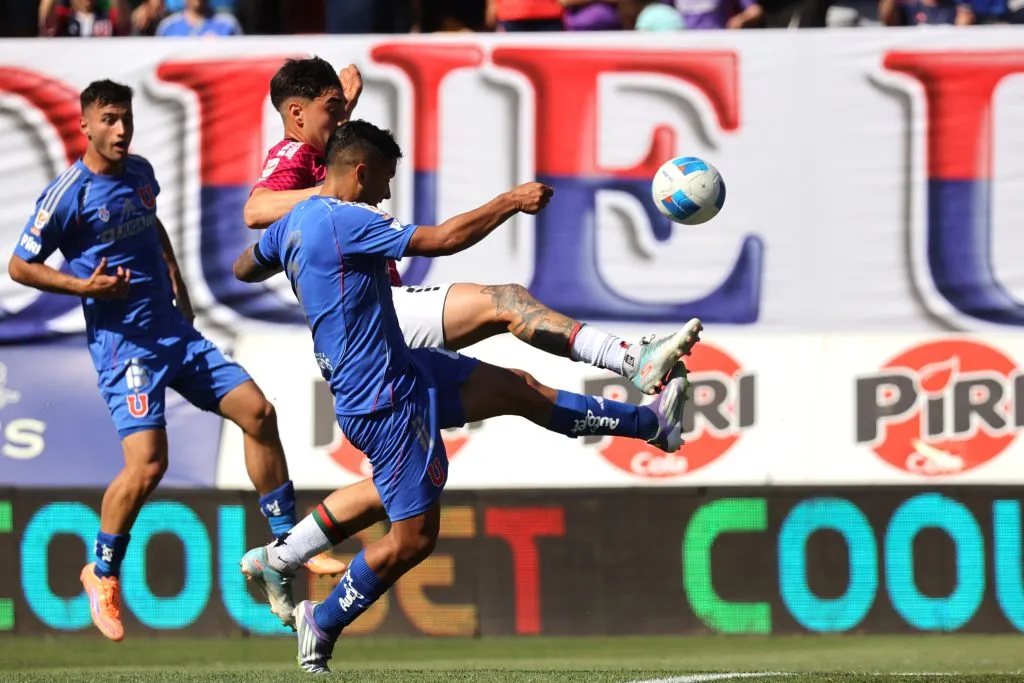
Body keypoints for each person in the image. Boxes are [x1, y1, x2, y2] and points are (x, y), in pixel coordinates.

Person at [240, 56, 702, 605]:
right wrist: (333, 195)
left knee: (513, 393)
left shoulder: (326, 153)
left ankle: (281, 556)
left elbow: (259, 249)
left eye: (343, 108)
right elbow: (256, 208)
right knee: (504, 303)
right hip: (379, 308)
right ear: (296, 114)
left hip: (375, 330)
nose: (340, 119)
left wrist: (344, 129)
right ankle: (634, 361)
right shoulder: (295, 157)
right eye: (331, 108)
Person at [4, 80, 339, 642]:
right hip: (123, 347)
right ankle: (102, 572)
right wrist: (81, 284)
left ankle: (286, 543)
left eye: (126, 119)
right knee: (148, 464)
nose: (120, 130)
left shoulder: (139, 174)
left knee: (258, 413)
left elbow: (152, 224)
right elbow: (19, 266)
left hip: (173, 331)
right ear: (84, 125)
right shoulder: (68, 194)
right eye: (108, 119)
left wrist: (179, 285)